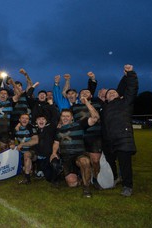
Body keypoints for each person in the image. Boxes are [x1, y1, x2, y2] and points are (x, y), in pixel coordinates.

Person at [51, 96, 100, 198]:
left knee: (85, 161)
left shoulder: (79, 124)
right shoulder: (58, 130)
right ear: (60, 117)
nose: (65, 118)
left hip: (79, 154)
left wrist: (86, 103)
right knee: (72, 184)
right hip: (66, 158)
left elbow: (95, 118)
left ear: (72, 117)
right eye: (63, 116)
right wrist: (54, 153)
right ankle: (83, 176)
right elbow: (56, 143)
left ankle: (86, 189)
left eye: (67, 116)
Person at [101, 64, 138, 197]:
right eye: (109, 93)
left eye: (114, 92)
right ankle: (116, 178)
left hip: (123, 137)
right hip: (110, 140)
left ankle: (127, 186)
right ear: (105, 98)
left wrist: (130, 74)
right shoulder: (105, 108)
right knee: (111, 162)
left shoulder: (125, 103)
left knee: (124, 163)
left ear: (119, 95)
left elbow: (132, 88)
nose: (111, 93)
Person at [11, 113, 38, 184]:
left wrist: (22, 144)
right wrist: (12, 144)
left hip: (33, 151)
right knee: (24, 168)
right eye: (23, 118)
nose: (24, 120)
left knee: (26, 155)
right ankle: (29, 169)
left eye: (27, 118)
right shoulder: (16, 128)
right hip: (21, 152)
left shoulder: (31, 128)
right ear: (19, 119)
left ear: (29, 120)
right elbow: (11, 140)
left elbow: (35, 140)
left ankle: (27, 179)